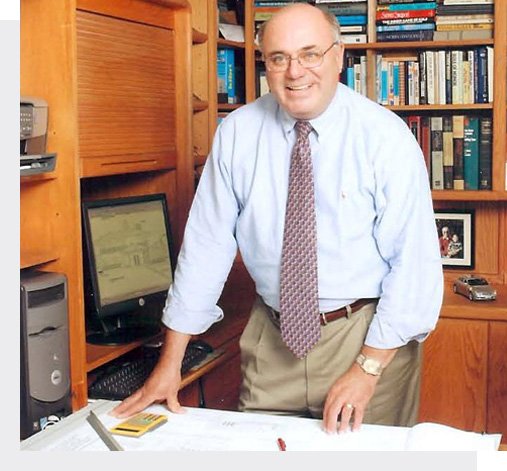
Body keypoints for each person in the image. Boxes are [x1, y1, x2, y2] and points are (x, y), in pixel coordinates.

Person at [112, 3, 443, 434]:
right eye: (279, 57)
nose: (295, 72)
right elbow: (206, 248)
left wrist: (367, 369)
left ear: (339, 56)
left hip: (364, 335)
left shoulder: (385, 137)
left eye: (310, 54)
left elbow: (414, 266)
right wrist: (169, 363)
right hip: (272, 335)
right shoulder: (237, 133)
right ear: (264, 63)